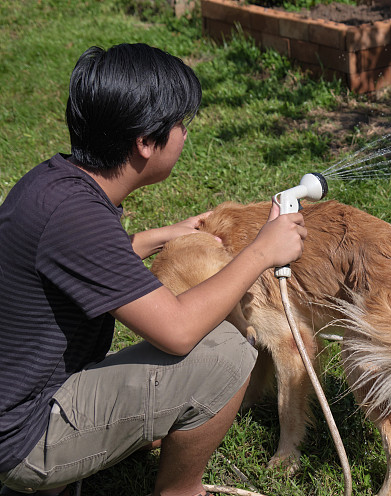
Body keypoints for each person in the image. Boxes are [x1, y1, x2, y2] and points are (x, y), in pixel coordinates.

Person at [0, 43, 307, 496]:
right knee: (227, 349)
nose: (185, 135)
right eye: (181, 124)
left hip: (14, 403)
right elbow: (177, 330)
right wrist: (261, 252)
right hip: (23, 437)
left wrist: (154, 238)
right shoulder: (77, 218)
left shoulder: (55, 185)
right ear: (145, 142)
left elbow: (77, 259)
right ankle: (180, 490)